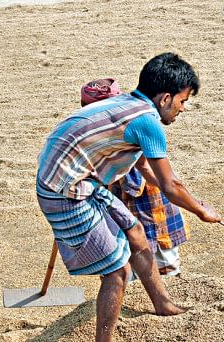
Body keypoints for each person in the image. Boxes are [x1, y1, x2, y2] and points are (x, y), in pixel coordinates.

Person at [36, 53, 220, 342]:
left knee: (136, 233)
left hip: (81, 178)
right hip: (63, 190)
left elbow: (147, 170)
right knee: (118, 271)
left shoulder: (129, 105)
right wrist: (201, 211)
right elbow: (170, 185)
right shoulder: (147, 122)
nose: (182, 109)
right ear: (165, 98)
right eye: (182, 101)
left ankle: (162, 303)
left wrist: (193, 201)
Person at [80, 79, 190, 278]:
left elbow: (142, 172)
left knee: (164, 265)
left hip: (150, 203)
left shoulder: (132, 125)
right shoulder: (88, 132)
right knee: (125, 265)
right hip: (116, 204)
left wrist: (175, 192)